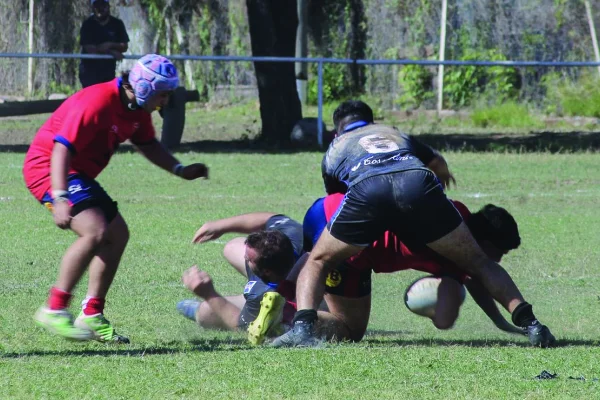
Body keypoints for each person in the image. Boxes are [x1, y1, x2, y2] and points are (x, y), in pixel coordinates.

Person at [272, 100, 555, 348]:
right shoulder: (392, 132)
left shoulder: (336, 147)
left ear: (337, 130)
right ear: (371, 121)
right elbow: (439, 164)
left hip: (368, 190)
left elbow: (336, 197)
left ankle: (302, 328)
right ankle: (532, 324)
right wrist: (434, 198)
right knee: (480, 263)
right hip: (417, 182)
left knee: (318, 260)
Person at [23, 54, 209, 343]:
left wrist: (180, 170)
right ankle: (54, 309)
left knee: (117, 234)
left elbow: (147, 144)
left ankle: (92, 314)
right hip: (49, 169)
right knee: (95, 231)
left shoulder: (136, 110)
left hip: (78, 174)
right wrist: (59, 197)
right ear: (145, 87)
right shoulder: (96, 101)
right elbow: (61, 149)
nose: (166, 101)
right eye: (163, 94)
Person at [297, 193, 526, 341]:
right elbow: (444, 319)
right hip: (350, 243)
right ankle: (287, 316)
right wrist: (443, 290)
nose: (498, 262)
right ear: (485, 244)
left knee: (317, 283)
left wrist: (501, 322)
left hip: (329, 207)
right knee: (349, 330)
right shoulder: (455, 254)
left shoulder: (457, 212)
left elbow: (477, 280)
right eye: (499, 253)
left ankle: (283, 302)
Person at [177, 213, 304, 344]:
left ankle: (283, 323)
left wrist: (209, 294)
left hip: (305, 303)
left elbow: (243, 327)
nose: (245, 258)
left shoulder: (259, 292)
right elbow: (269, 219)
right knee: (232, 247)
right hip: (304, 282)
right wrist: (220, 226)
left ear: (266, 271)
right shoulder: (292, 234)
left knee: (206, 311)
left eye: (249, 259)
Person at [79, 0, 130, 88]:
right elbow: (90, 49)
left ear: (108, 6)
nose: (100, 9)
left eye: (103, 5)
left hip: (108, 73)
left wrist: (110, 44)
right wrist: (112, 52)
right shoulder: (87, 25)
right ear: (92, 7)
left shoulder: (117, 24)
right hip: (89, 73)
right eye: (97, 5)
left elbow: (124, 46)